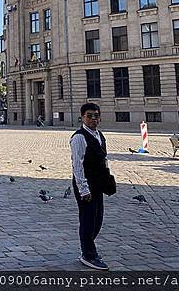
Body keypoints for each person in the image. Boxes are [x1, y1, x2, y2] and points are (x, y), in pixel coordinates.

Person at [70, 102, 113, 270]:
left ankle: (88, 247)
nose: (93, 119)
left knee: (97, 220)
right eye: (89, 116)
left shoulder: (99, 135)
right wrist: (83, 189)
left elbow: (103, 158)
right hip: (86, 184)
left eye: (96, 115)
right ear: (82, 117)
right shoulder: (79, 137)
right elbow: (77, 165)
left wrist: (107, 178)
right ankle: (88, 254)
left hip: (98, 182)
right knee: (88, 220)